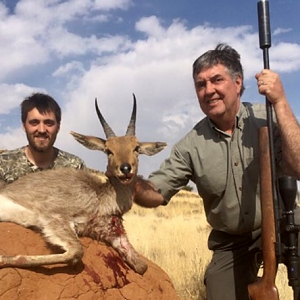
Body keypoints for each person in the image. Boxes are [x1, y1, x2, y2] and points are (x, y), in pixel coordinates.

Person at [131, 44, 300, 299]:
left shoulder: (267, 116)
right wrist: (127, 181)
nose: (208, 90)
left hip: (282, 223)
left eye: (216, 80)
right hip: (231, 242)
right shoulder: (190, 145)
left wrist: (280, 101)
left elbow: (298, 166)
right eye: (201, 84)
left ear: (238, 81)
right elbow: (155, 193)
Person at [0, 93, 85, 184]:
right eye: (34, 122)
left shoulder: (75, 168)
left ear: (58, 127)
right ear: (24, 126)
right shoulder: (3, 164)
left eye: (49, 123)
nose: (42, 130)